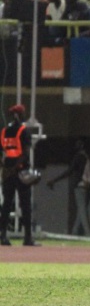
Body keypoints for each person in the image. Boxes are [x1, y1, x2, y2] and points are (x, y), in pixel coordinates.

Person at [0, 104, 37, 246]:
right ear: (19, 115)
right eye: (23, 114)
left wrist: (5, 168)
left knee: (6, 205)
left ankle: (3, 235)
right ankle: (27, 237)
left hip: (7, 172)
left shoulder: (3, 131)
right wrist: (15, 168)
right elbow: (25, 153)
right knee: (25, 204)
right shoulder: (24, 131)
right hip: (20, 171)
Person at [47, 138, 90, 237]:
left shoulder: (79, 157)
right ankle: (74, 233)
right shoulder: (89, 157)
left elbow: (69, 171)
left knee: (82, 212)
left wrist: (54, 180)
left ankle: (89, 235)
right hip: (89, 186)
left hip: (80, 186)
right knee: (81, 211)